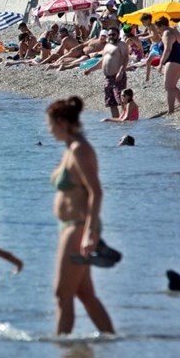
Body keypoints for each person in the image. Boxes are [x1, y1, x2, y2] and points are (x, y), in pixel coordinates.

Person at [46, 96, 116, 336]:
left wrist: (89, 233)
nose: (49, 129)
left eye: (51, 124)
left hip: (79, 227)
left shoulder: (80, 149)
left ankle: (61, 347)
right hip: (69, 226)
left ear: (63, 123)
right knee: (84, 293)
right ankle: (111, 342)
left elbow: (96, 192)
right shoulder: (70, 148)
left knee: (61, 294)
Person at [84, 28, 129, 119]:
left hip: (117, 76)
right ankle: (116, 120)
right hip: (108, 78)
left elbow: (125, 59)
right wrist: (91, 69)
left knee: (121, 100)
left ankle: (126, 119)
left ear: (118, 35)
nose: (111, 36)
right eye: (110, 35)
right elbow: (103, 61)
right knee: (111, 102)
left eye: (113, 34)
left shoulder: (121, 45)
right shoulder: (107, 46)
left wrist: (121, 72)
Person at [158, 16, 180, 113]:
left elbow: (167, 49)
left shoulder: (167, 33)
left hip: (173, 59)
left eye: (158, 27)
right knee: (172, 86)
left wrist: (161, 63)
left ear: (162, 25)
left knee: (168, 87)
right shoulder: (174, 31)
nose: (157, 30)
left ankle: (170, 110)